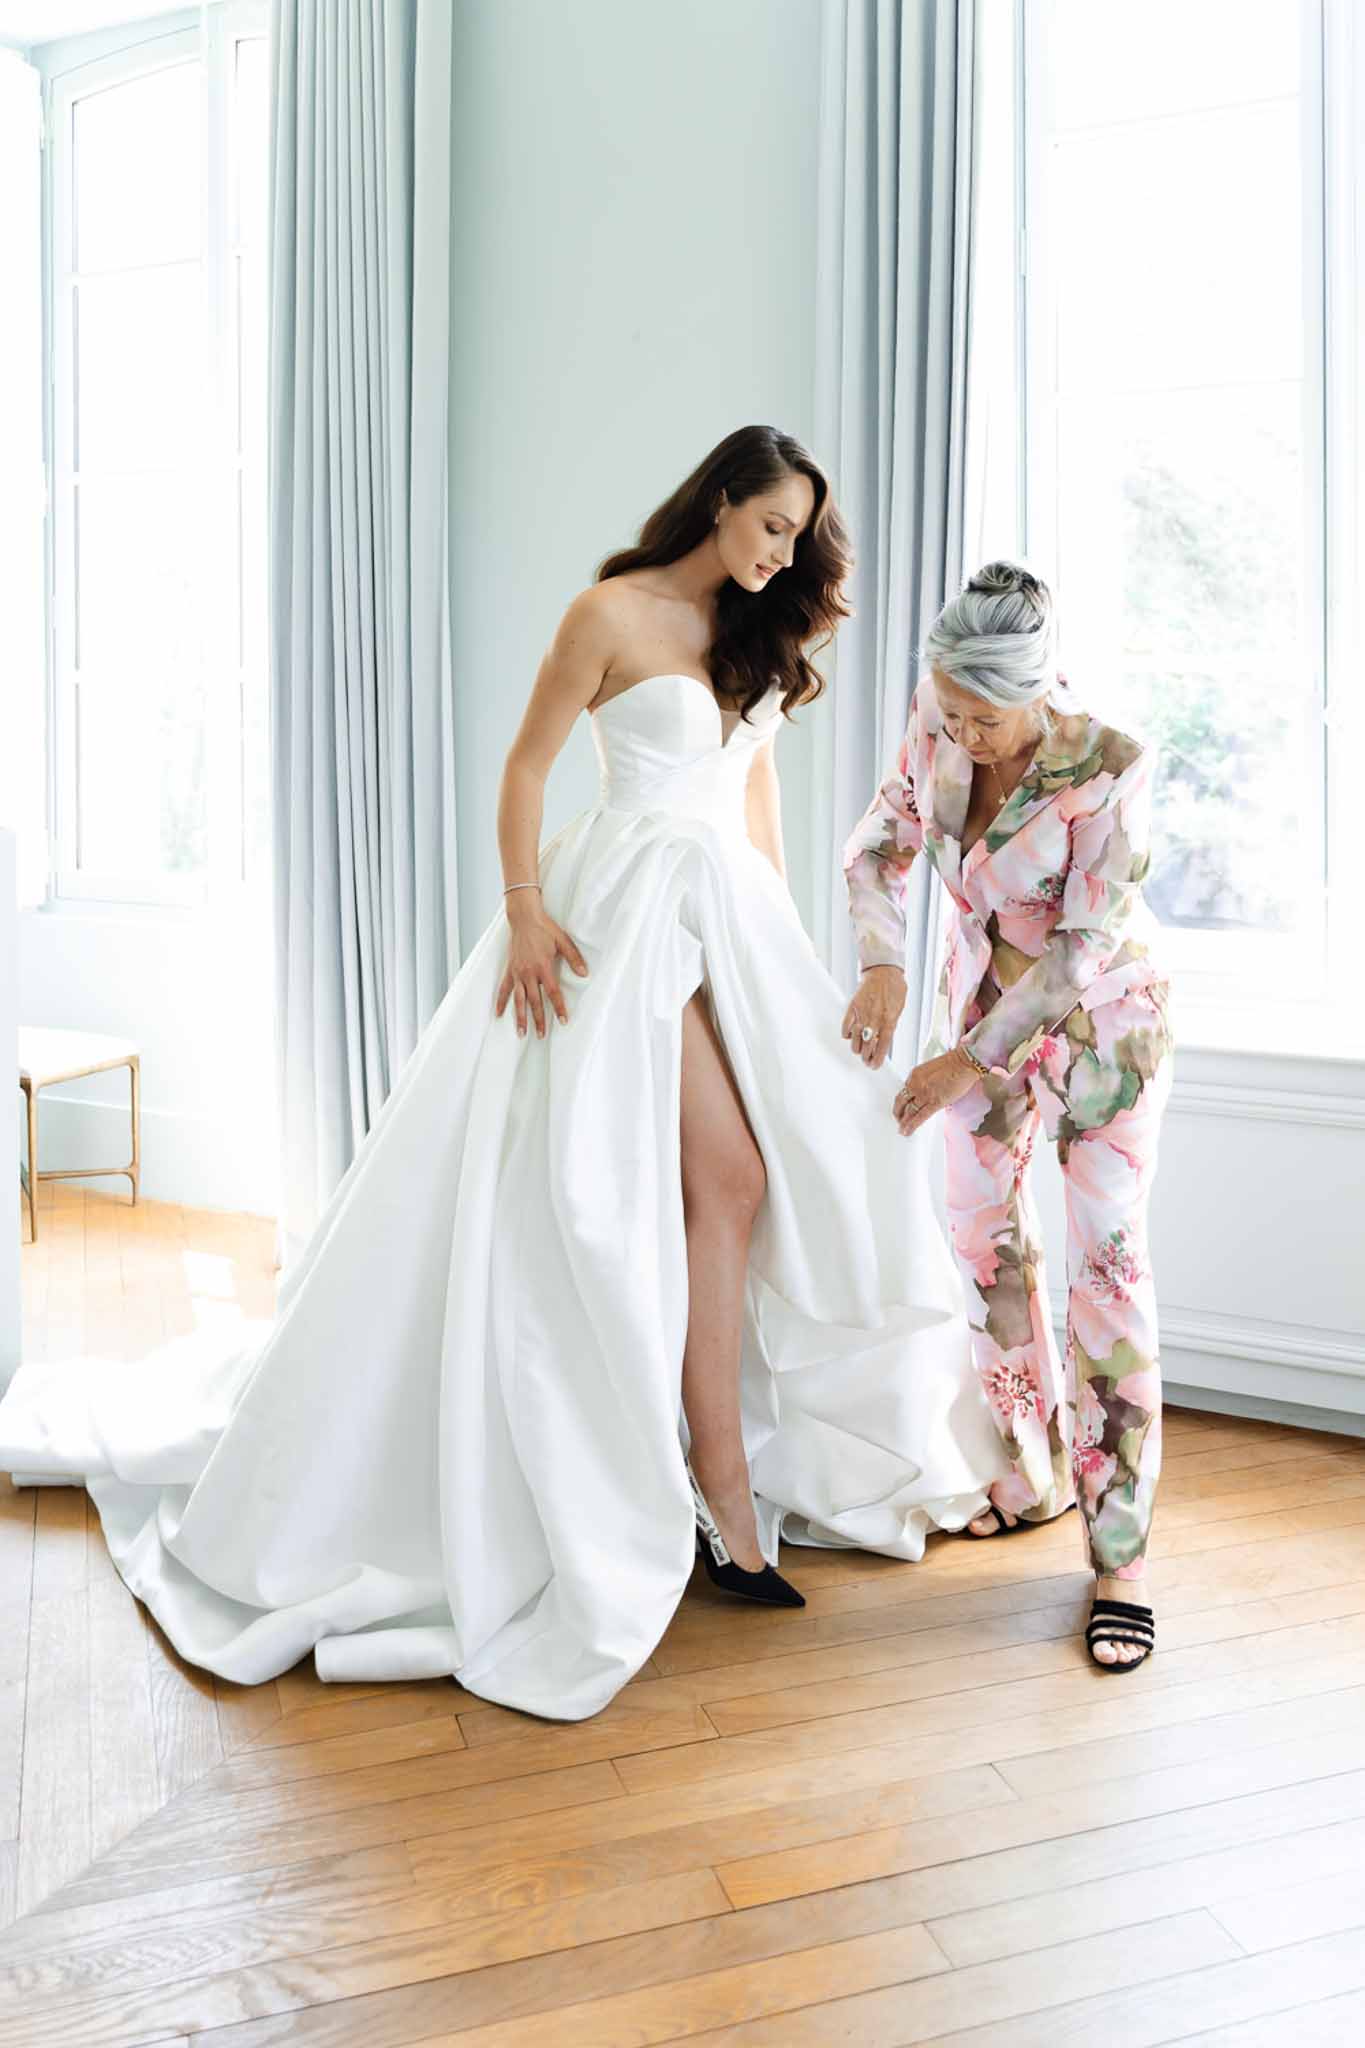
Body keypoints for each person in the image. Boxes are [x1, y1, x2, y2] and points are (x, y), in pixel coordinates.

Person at [0, 426, 1008, 1724]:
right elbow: (527, 768)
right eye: (769, 526)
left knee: (743, 1190)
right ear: (717, 503)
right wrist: (525, 910)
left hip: (727, 932)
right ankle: (712, 1493)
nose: (782, 553)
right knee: (643, 1195)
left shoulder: (759, 642)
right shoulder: (610, 611)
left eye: (798, 536)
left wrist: (792, 964)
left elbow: (748, 808)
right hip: (616, 924)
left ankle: (721, 1484)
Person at [841, 561, 1173, 1672]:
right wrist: (885, 964)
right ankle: (1027, 1472)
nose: (962, 736)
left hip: (1099, 1038)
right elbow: (877, 847)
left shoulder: (1111, 768)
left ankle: (1118, 1551)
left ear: (1037, 693)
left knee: (1105, 1272)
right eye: (948, 711)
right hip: (970, 1028)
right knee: (986, 1247)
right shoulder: (936, 727)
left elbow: (1079, 949)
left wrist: (956, 1056)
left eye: (983, 717)